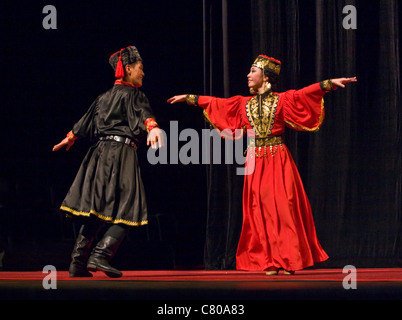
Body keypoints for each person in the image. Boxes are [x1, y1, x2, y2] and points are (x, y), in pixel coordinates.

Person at [168, 54, 357, 275]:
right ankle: (268, 260)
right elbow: (217, 103)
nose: (248, 75)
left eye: (253, 71)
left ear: (266, 77)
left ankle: (289, 259)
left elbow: (304, 94)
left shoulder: (282, 100)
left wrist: (328, 84)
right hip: (255, 159)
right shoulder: (242, 103)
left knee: (285, 206)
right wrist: (190, 98)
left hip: (277, 156)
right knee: (259, 209)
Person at [53, 46, 164, 278]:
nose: (143, 73)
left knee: (96, 209)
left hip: (99, 154)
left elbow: (83, 123)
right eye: (140, 69)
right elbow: (145, 115)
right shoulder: (135, 95)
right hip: (122, 153)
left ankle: (77, 262)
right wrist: (153, 129)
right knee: (130, 205)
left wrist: (69, 138)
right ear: (129, 69)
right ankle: (101, 254)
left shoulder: (103, 98)